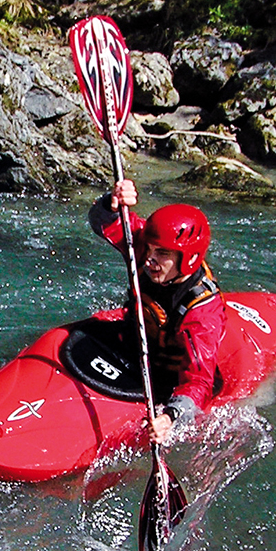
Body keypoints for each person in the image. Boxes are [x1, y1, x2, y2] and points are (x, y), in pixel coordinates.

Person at [88, 178, 225, 444]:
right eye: (149, 250)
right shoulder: (147, 247)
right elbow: (102, 223)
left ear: (189, 258)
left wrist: (170, 417)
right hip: (135, 346)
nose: (149, 259)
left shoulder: (202, 314)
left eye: (161, 254)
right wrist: (112, 202)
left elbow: (198, 383)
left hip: (169, 374)